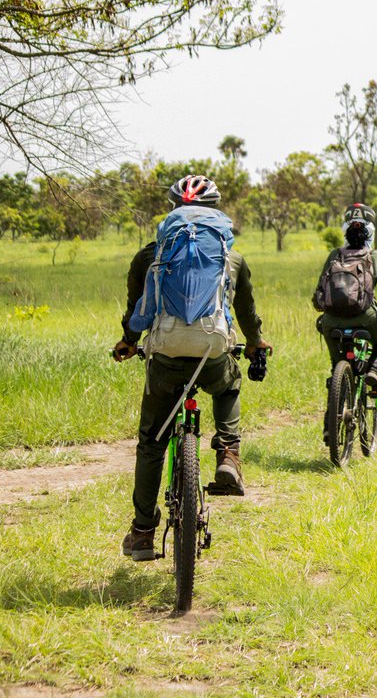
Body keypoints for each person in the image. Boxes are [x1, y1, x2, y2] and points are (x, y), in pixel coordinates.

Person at [113, 174, 271, 562]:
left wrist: (129, 342)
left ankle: (143, 533)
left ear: (173, 211)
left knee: (151, 443)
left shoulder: (150, 255)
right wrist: (254, 342)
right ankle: (228, 455)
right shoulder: (231, 258)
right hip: (212, 350)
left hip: (166, 355)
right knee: (229, 384)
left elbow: (138, 308)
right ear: (215, 213)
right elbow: (245, 312)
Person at [313, 203, 377, 399]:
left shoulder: (334, 255)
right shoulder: (375, 257)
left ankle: (333, 412)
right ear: (371, 233)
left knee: (337, 368)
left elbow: (319, 293)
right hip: (366, 318)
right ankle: (374, 372)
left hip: (331, 321)